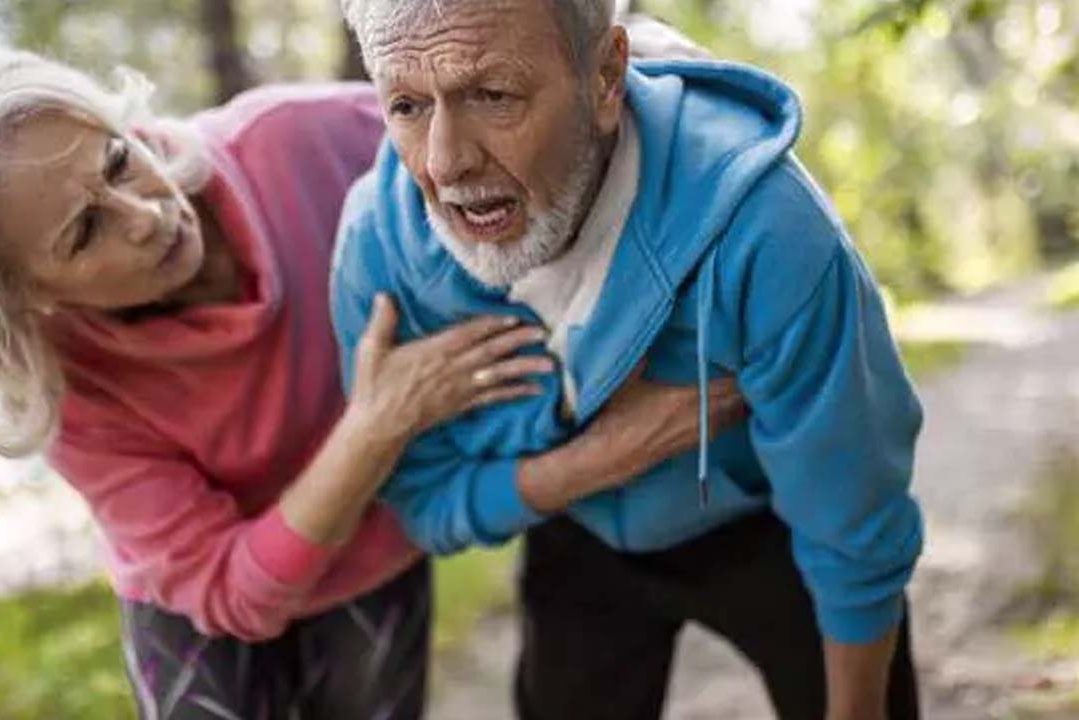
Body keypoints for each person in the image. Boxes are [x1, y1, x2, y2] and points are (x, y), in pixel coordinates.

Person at [0, 50, 742, 719]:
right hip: (202, 601)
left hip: (367, 555)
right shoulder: (69, 394)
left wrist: (630, 62)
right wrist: (375, 424)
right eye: (85, 233)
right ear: (28, 300)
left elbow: (484, 119)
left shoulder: (296, 140)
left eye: (118, 160)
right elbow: (231, 592)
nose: (148, 212)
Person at [332, 2, 926, 719]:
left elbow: (852, 511)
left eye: (492, 95)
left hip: (765, 520)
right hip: (573, 526)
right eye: (406, 104)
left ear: (607, 78)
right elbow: (422, 504)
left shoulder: (768, 228)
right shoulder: (378, 248)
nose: (445, 161)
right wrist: (593, 462)